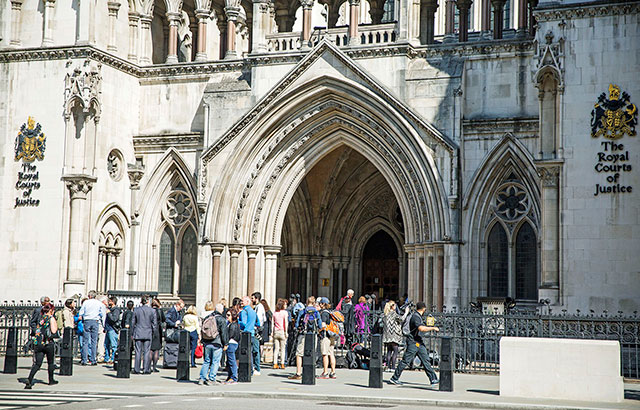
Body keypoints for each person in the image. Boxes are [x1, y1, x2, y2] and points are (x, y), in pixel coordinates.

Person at [389, 302, 439, 386]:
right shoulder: (416, 317)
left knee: (426, 360)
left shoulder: (418, 316)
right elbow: (421, 328)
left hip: (418, 342)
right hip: (413, 342)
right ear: (423, 309)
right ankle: (394, 378)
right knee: (405, 360)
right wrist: (433, 328)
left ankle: (433, 379)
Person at [24, 302, 58, 389]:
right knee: (50, 362)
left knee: (37, 364)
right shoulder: (51, 318)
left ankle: (29, 379)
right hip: (48, 343)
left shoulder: (41, 319)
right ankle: (51, 380)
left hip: (38, 343)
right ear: (51, 310)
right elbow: (53, 331)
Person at [288, 296, 322, 380]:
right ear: (314, 303)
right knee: (312, 353)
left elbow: (297, 324)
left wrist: (297, 329)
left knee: (299, 353)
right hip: (313, 334)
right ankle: (311, 372)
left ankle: (299, 372)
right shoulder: (316, 312)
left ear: (306, 302)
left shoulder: (303, 311)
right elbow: (320, 324)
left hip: (303, 334)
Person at [199, 302, 229, 385]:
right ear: (221, 310)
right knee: (215, 361)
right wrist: (225, 343)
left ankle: (202, 378)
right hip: (217, 342)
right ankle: (212, 379)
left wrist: (202, 340)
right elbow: (224, 333)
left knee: (206, 361)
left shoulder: (208, 317)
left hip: (207, 342)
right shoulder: (221, 319)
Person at [78, 291, 106, 366]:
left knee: (85, 341)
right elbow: (103, 314)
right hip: (95, 321)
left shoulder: (86, 303)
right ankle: (93, 360)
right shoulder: (99, 303)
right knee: (94, 341)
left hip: (87, 320)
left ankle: (84, 360)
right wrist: (103, 325)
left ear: (89, 296)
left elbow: (81, 312)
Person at [131, 295, 157, 374]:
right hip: (148, 332)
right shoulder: (152, 311)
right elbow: (154, 324)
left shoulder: (136, 310)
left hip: (138, 332)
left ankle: (137, 369)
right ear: (148, 301)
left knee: (138, 351)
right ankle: (146, 369)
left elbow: (132, 323)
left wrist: (132, 333)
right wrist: (153, 332)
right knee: (147, 351)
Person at [238, 296, 261, 375]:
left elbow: (243, 323)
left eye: (242, 301)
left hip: (245, 333)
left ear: (247, 302)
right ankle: (251, 369)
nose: (241, 303)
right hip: (252, 334)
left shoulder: (244, 311)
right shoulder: (253, 311)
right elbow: (258, 323)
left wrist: (238, 321)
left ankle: (247, 370)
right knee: (250, 352)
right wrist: (251, 324)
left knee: (245, 353)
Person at [318, 297, 337, 379]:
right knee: (331, 354)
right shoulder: (330, 312)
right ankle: (333, 372)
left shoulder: (324, 314)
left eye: (320, 303)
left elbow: (323, 325)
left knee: (325, 354)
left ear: (323, 304)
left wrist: (319, 330)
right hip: (332, 335)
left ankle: (325, 372)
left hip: (326, 336)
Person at [383, 300, 402, 371]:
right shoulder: (394, 314)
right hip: (394, 335)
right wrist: (406, 313)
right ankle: (393, 367)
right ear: (392, 306)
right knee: (395, 351)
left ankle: (388, 367)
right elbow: (402, 319)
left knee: (389, 351)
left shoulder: (385, 314)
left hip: (387, 335)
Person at [271, 298, 288, 369]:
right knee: (283, 349)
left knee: (276, 349)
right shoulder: (285, 313)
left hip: (276, 331)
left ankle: (275, 363)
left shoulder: (275, 313)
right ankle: (282, 363)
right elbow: (286, 323)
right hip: (282, 331)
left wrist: (272, 332)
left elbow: (272, 323)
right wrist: (286, 332)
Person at [225, 307, 240, 384]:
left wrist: (225, 343)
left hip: (231, 344)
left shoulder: (232, 325)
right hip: (233, 343)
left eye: (228, 315)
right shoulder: (232, 324)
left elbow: (230, 335)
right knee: (230, 361)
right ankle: (230, 377)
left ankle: (234, 377)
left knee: (232, 361)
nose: (227, 316)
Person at [104, 296, 121, 364]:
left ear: (113, 302)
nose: (108, 302)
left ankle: (113, 358)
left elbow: (114, 319)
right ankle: (107, 358)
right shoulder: (110, 309)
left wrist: (108, 313)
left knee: (113, 345)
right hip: (108, 329)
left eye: (109, 301)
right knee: (106, 345)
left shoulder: (116, 310)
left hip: (112, 329)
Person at [149, 298, 165, 372]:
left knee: (150, 349)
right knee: (156, 350)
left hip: (150, 330)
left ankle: (148, 366)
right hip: (158, 331)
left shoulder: (150, 310)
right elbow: (164, 319)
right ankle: (154, 367)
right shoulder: (160, 311)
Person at [251, 292, 267, 360]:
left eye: (252, 298)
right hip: (257, 327)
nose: (251, 300)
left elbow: (259, 318)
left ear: (256, 299)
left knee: (256, 346)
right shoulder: (257, 307)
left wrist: (256, 327)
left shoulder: (259, 307)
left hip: (257, 328)